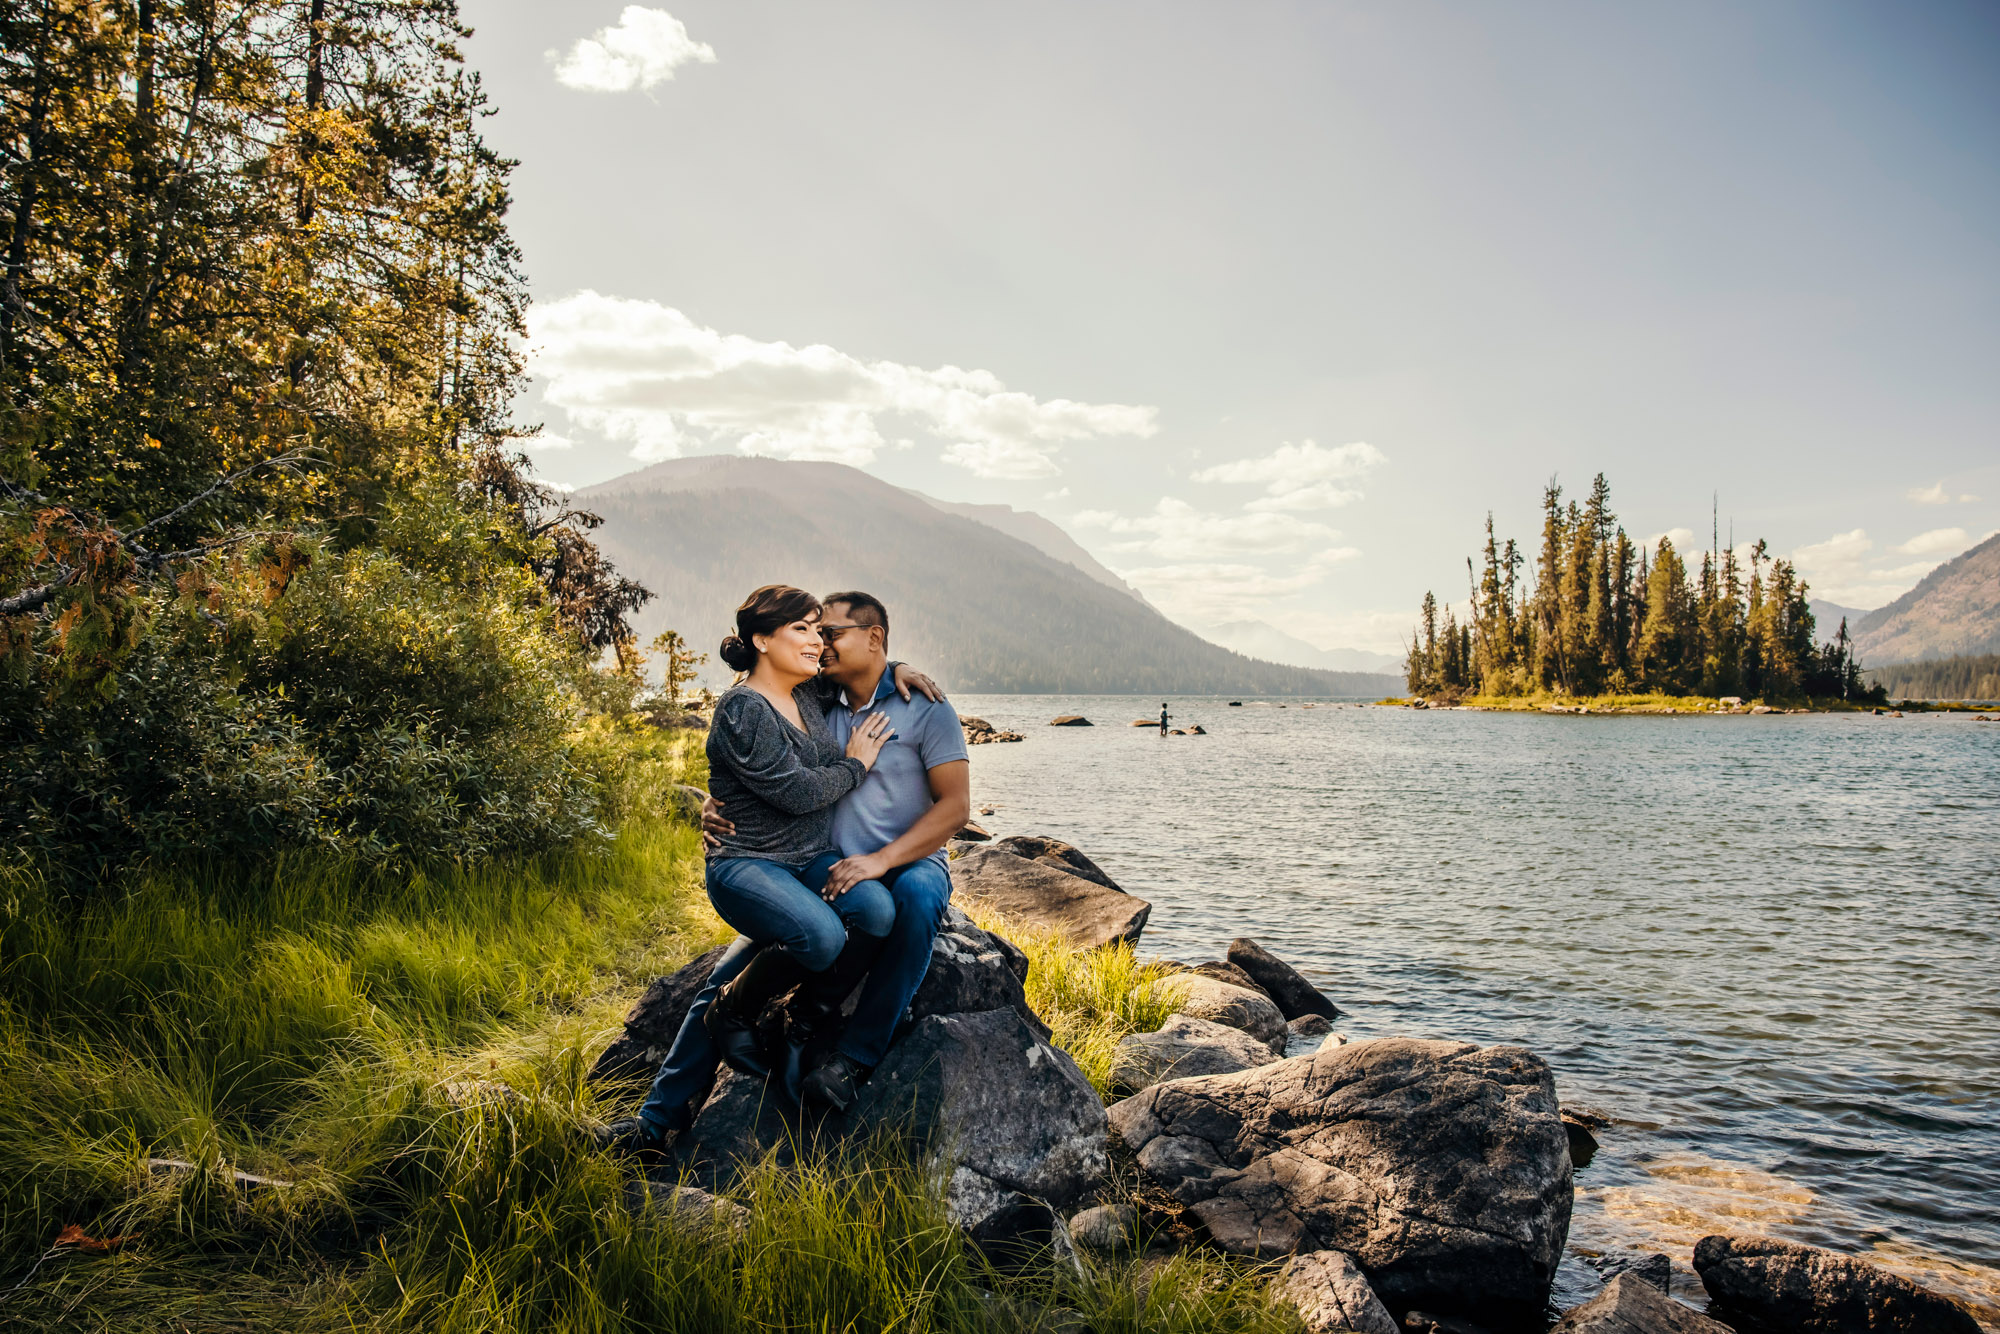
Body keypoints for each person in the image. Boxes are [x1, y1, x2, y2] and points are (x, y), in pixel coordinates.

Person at [596, 588, 961, 1160]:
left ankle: (836, 1049)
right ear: (768, 640)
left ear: (874, 640)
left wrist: (898, 669)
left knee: (905, 903)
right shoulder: (821, 694)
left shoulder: (915, 702)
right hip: (808, 867)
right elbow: (775, 772)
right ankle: (653, 1125)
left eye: (829, 632)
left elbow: (957, 808)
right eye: (812, 631)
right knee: (728, 978)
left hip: (874, 864)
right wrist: (722, 803)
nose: (821, 643)